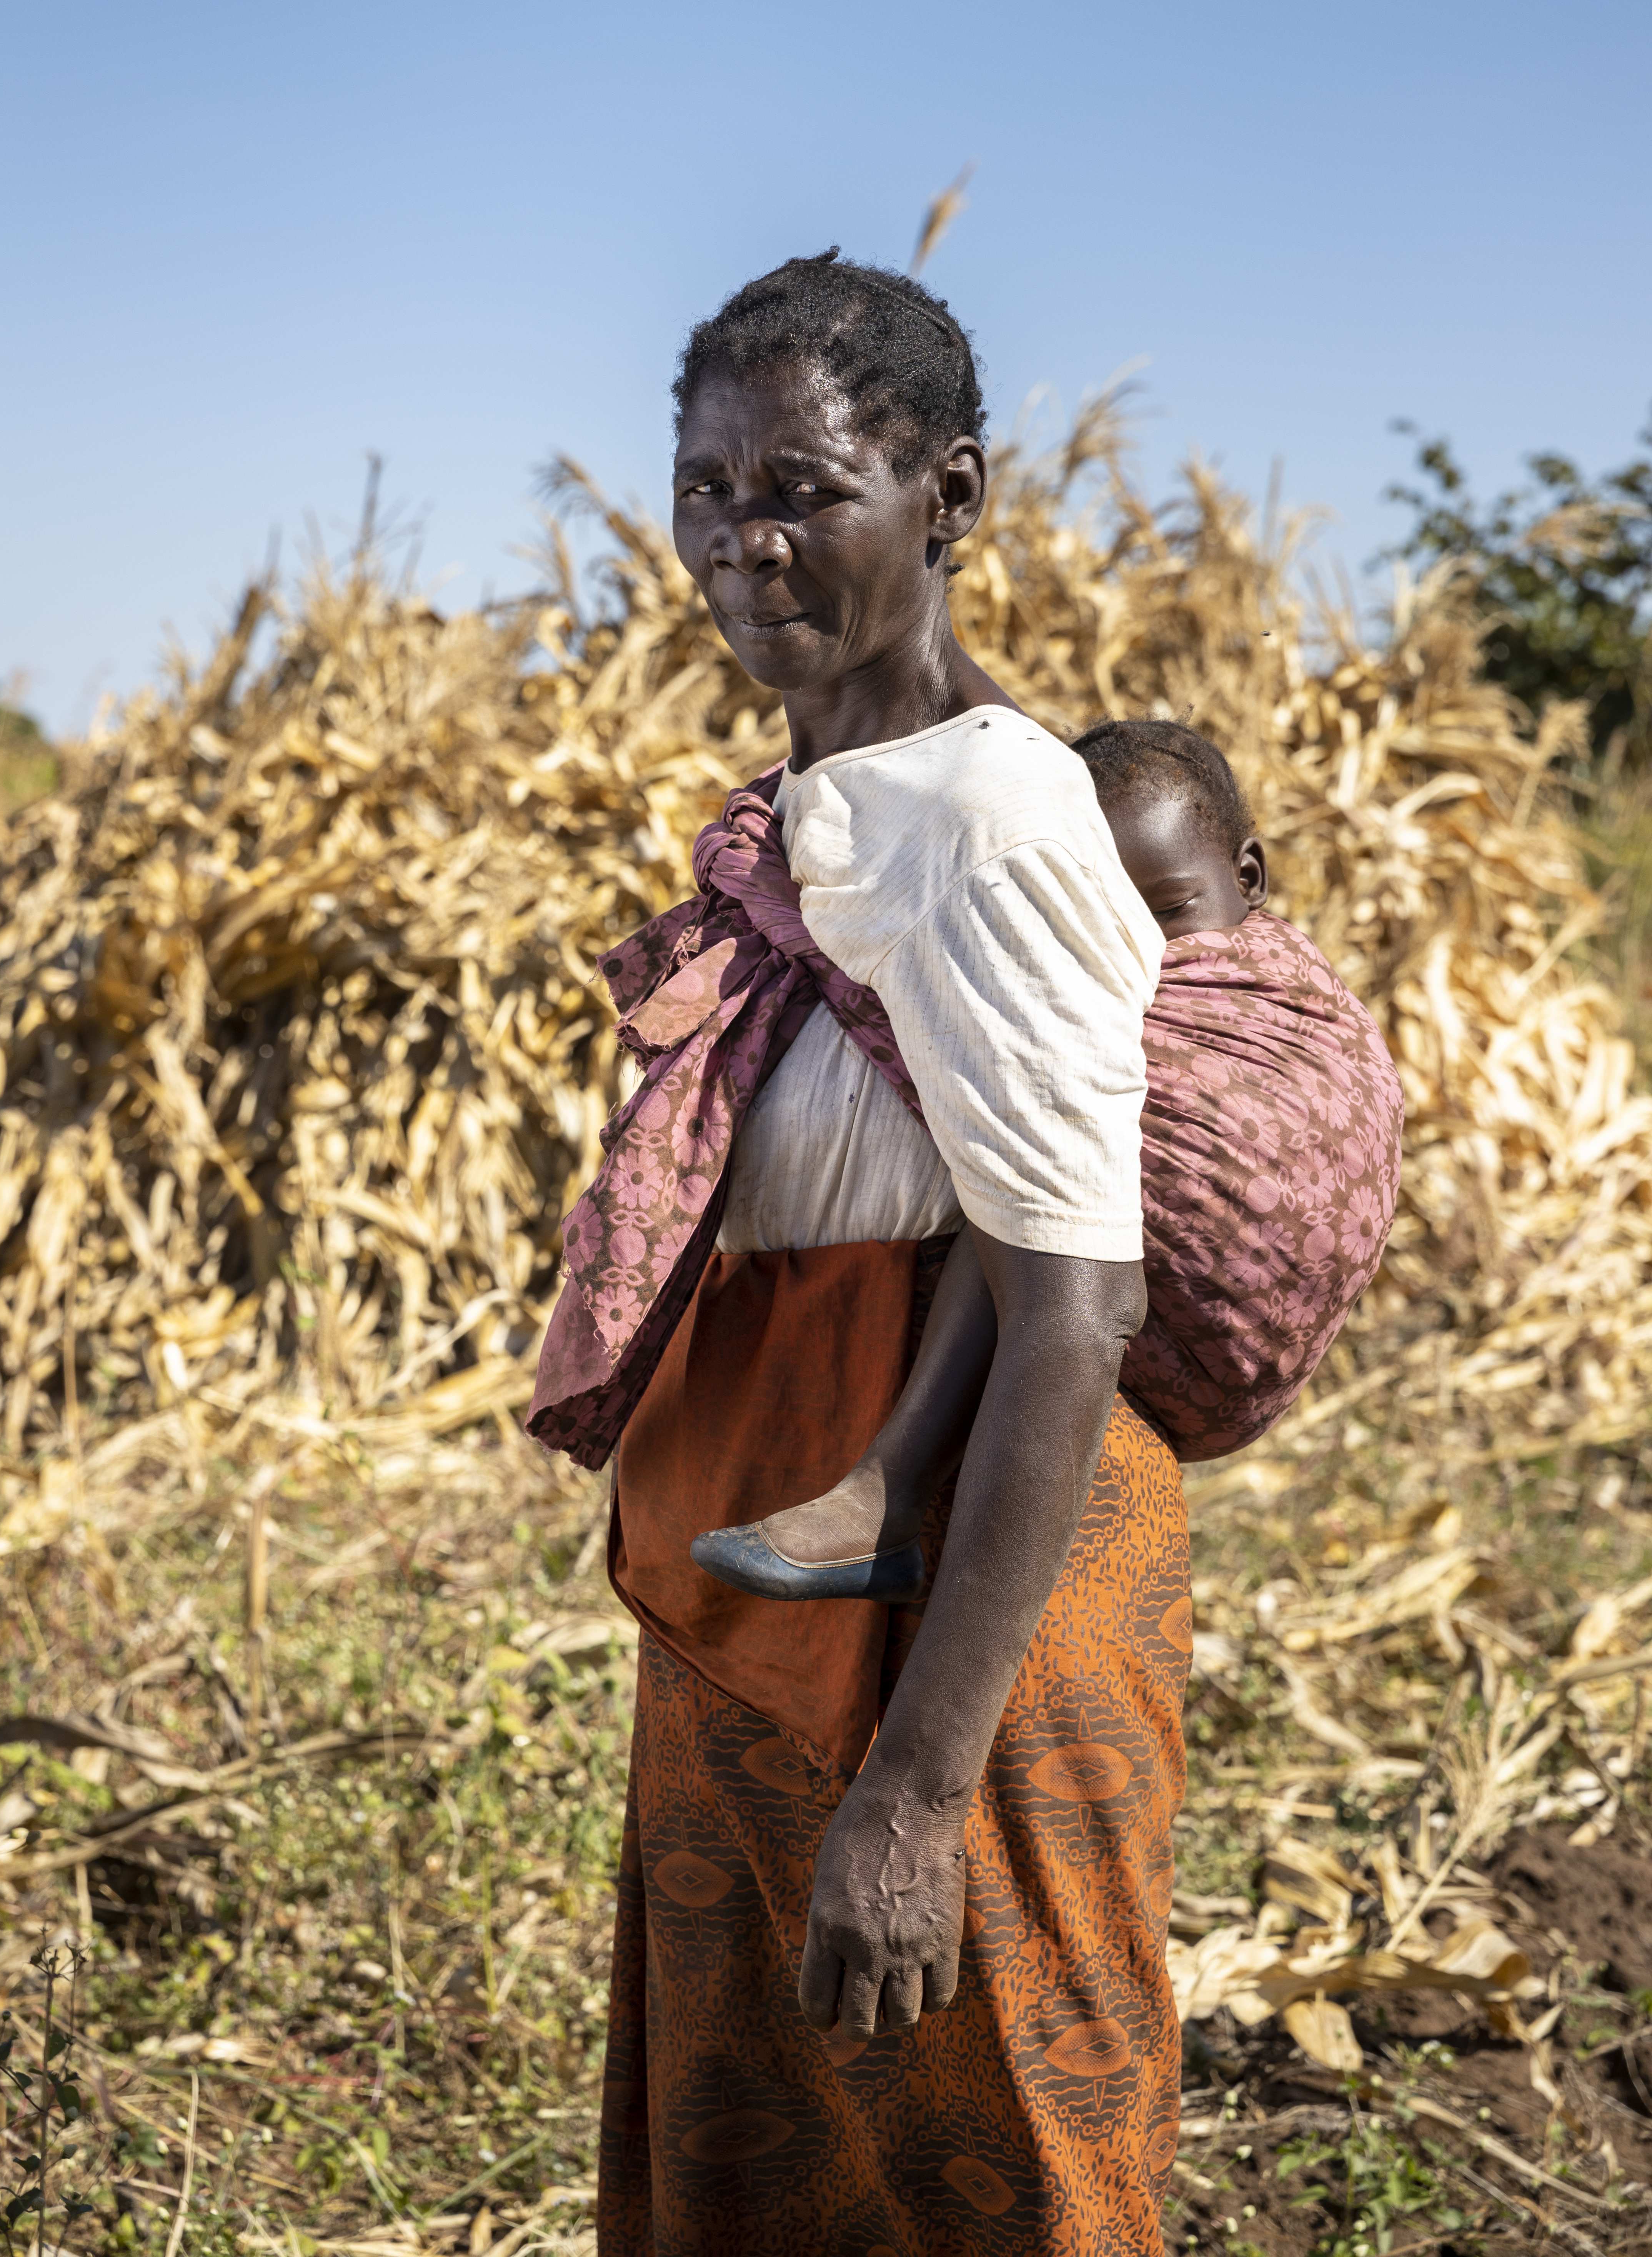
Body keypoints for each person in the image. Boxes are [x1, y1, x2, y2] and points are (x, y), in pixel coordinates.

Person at [531, 251, 1191, 2256]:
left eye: (805, 487)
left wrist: (913, 1796)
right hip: (772, 1578)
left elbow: (1076, 1303)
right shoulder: (832, 805)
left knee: (996, 2177)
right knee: (776, 2175)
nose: (745, 542)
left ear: (952, 497)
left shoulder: (989, 812)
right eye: (710, 487)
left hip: (947, 1644)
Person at [690, 718, 1403, 1605]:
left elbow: (948, 1035)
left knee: (1037, 1160)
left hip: (1222, 1310)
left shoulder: (1272, 998)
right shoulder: (1072, 957)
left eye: (1167, 910)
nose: (1133, 948)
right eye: (1101, 919)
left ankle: (888, 1490)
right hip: (1161, 1325)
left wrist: (801, 916)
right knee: (1039, 1134)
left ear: (1247, 878)